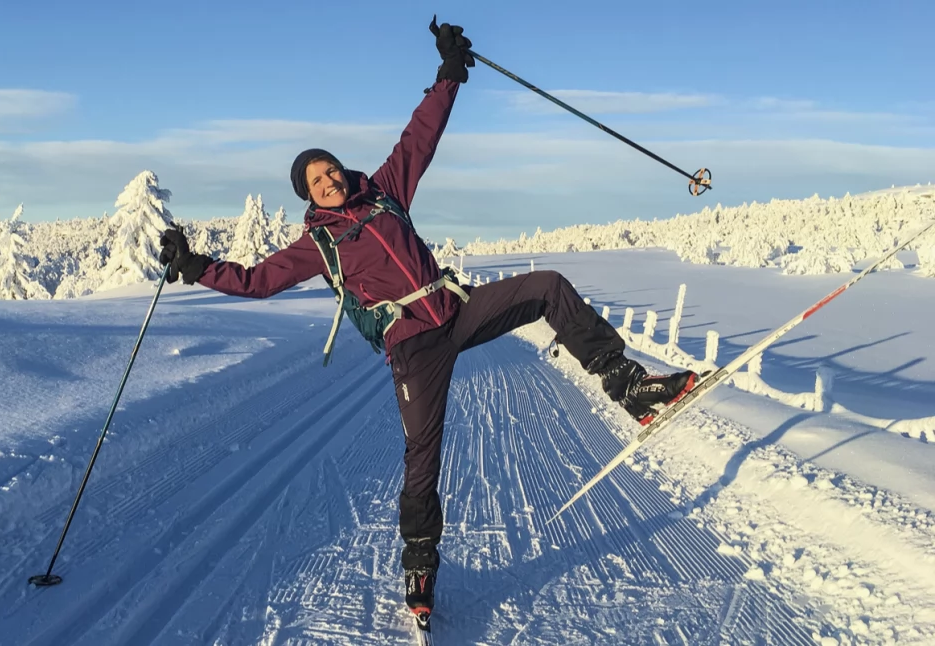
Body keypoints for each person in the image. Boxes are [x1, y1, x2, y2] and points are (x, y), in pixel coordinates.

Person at [157, 19, 697, 619]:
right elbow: (257, 280)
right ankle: (419, 562)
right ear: (308, 196)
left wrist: (447, 75)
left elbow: (421, 135)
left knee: (547, 285)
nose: (329, 180)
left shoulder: (385, 191)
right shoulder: (319, 244)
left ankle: (627, 384)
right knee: (423, 456)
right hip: (413, 346)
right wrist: (197, 266)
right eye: (317, 181)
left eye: (330, 169)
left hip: (456, 310)